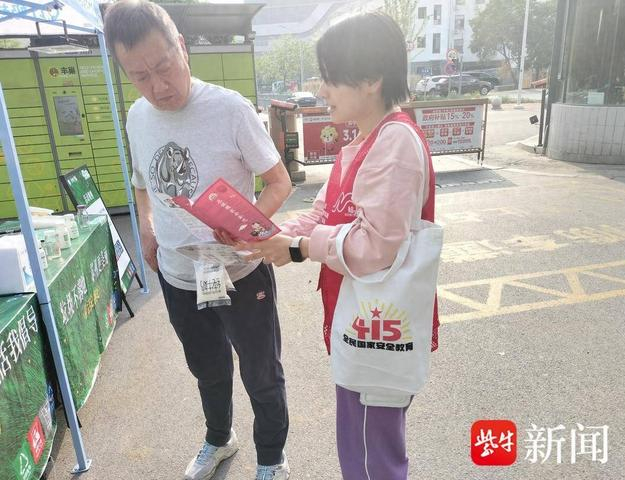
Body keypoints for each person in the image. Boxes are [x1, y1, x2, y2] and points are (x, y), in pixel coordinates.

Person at [239, 12, 439, 480]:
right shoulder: (367, 141)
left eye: (330, 78)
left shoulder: (394, 143)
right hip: (365, 320)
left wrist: (300, 247)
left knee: (371, 458)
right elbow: (326, 212)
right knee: (363, 446)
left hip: (378, 326)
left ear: (371, 79)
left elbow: (377, 247)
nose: (322, 90)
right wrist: (272, 234)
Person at [103, 2, 292, 479]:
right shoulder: (138, 116)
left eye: (164, 66)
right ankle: (220, 439)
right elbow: (142, 182)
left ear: (182, 48)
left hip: (240, 272)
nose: (158, 86)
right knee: (207, 368)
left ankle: (272, 457)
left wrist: (247, 229)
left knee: (261, 372)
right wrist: (147, 226)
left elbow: (279, 182)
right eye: (140, 76)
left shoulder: (230, 109)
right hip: (179, 275)